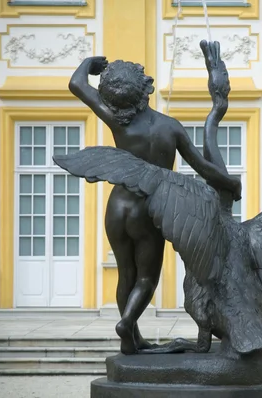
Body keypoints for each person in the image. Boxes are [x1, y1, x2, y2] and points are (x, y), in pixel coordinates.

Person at [67, 54, 241, 355]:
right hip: (148, 211)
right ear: (145, 88)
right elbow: (202, 167)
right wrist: (231, 183)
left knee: (126, 274)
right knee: (147, 278)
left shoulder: (117, 119)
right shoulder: (169, 128)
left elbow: (76, 84)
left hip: (117, 207)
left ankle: (131, 339)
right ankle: (127, 323)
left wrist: (90, 63)